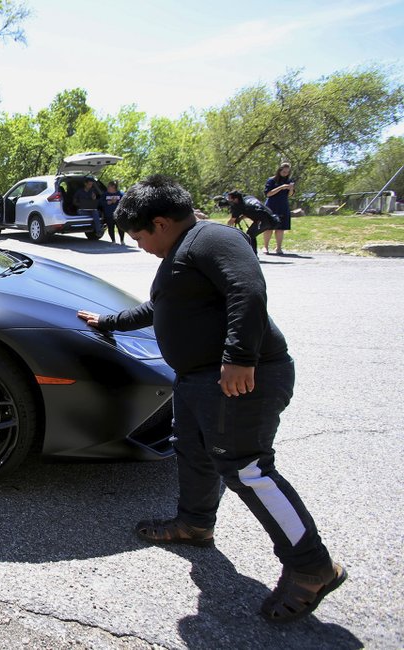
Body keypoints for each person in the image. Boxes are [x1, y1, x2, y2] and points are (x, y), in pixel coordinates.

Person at [76, 175, 346, 624]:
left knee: (249, 470)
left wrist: (240, 357)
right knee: (194, 452)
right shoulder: (181, 253)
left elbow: (248, 289)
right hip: (199, 380)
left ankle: (312, 567)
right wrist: (110, 321)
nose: (140, 245)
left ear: (160, 223)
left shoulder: (213, 238)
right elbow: (161, 307)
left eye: (139, 235)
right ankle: (194, 524)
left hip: (241, 378)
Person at [225, 190, 278, 254]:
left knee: (250, 235)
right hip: (271, 217)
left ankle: (253, 254)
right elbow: (251, 210)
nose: (229, 200)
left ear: (236, 199)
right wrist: (241, 218)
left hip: (263, 221)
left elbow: (231, 221)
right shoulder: (248, 198)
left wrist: (225, 228)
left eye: (230, 199)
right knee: (251, 234)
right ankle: (253, 253)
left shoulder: (238, 206)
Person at [263, 162, 295, 255]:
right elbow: (268, 194)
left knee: (281, 228)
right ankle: (265, 247)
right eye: (284, 172)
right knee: (269, 227)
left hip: (283, 205)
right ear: (279, 170)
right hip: (271, 206)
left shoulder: (289, 180)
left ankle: (279, 248)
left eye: (287, 172)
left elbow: (290, 195)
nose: (285, 174)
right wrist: (281, 187)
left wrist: (291, 189)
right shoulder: (271, 180)